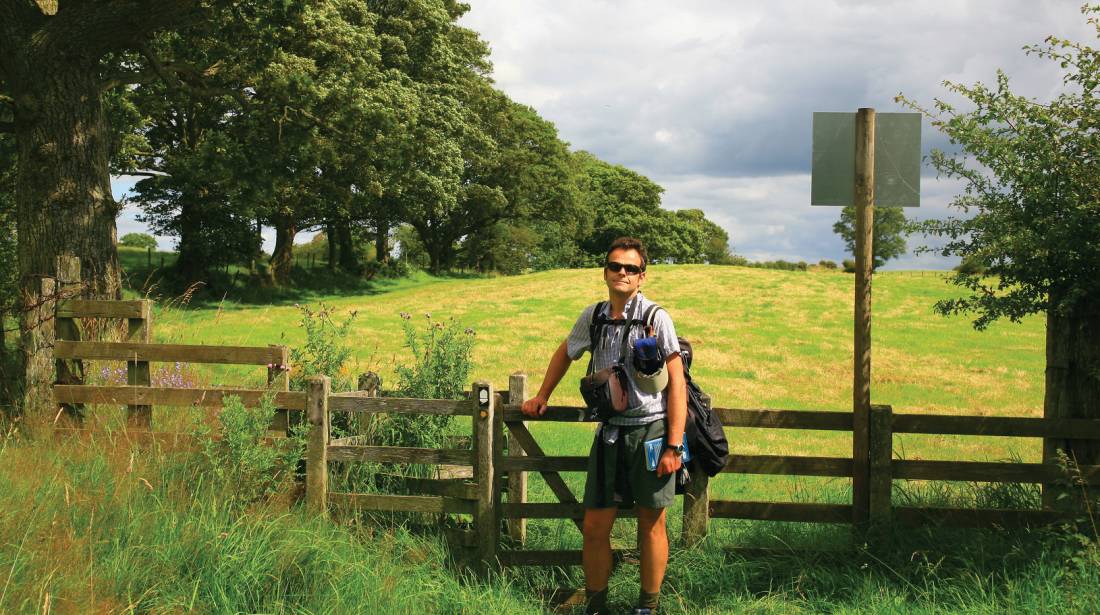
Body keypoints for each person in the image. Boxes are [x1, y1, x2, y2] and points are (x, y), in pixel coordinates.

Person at [521, 237, 686, 615]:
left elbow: (676, 382)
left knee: (652, 525)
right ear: (605, 272)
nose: (622, 273)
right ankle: (596, 605)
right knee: (595, 527)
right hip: (609, 433)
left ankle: (648, 607)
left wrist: (673, 445)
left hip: (651, 432)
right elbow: (566, 350)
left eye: (631, 268)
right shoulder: (593, 316)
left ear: (642, 276)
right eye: (615, 266)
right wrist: (543, 394)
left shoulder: (655, 318)